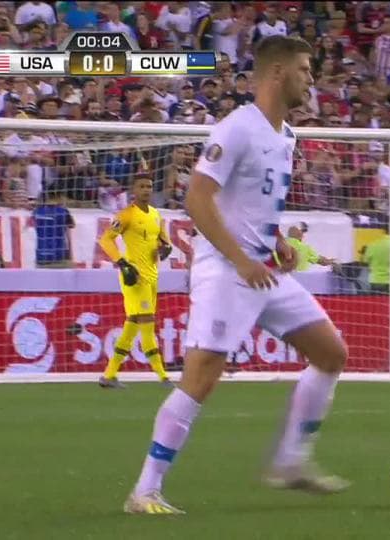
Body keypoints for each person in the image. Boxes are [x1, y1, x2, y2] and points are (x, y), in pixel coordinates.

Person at [123, 36, 349, 516]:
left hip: (260, 268)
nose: (312, 78)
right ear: (277, 73)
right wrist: (243, 259)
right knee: (202, 377)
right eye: (305, 69)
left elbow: (252, 203)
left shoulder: (286, 134)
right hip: (227, 269)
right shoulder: (238, 127)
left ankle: (290, 461)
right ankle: (145, 490)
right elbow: (198, 199)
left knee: (331, 352)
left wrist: (277, 241)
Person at [97, 175, 174, 389]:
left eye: (149, 186)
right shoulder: (127, 215)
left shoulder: (157, 215)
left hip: (152, 276)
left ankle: (109, 375)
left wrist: (165, 249)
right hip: (134, 276)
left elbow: (165, 243)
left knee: (132, 324)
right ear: (134, 190)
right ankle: (162, 376)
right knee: (147, 322)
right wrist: (122, 263)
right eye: (141, 186)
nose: (146, 190)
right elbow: (105, 239)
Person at [33, 189, 76, 268]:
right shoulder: (63, 211)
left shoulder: (36, 212)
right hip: (58, 255)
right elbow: (72, 225)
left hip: (40, 255)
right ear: (57, 197)